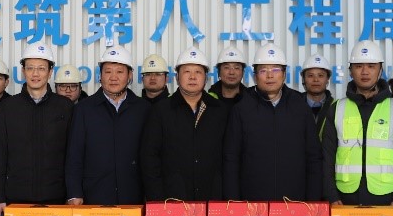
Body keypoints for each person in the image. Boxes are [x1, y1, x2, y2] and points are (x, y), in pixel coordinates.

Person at [0, 42, 73, 216]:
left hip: (56, 199)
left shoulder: (65, 107)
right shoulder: (8, 108)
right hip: (16, 200)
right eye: (30, 68)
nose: (35, 74)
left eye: (41, 68)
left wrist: (72, 195)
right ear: (23, 71)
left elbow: (73, 155)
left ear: (50, 72)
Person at [223, 43, 323, 201]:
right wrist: (234, 201)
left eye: (275, 70)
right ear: (255, 76)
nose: (270, 76)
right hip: (252, 203)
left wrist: (313, 201)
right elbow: (231, 159)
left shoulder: (299, 106)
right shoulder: (242, 108)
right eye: (263, 70)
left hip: (294, 201)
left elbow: (313, 157)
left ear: (284, 74)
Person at [322, 41, 393, 206]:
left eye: (371, 66)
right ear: (351, 71)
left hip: (387, 199)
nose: (365, 72)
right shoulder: (337, 108)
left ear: (380, 70)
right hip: (344, 199)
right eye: (358, 66)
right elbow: (326, 157)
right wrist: (331, 196)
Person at [140, 46, 229, 201]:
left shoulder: (220, 111)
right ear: (177, 77)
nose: (192, 77)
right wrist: (157, 198)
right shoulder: (161, 111)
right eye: (187, 72)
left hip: (212, 199)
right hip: (171, 199)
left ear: (206, 77)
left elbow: (229, 157)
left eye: (198, 72)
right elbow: (149, 157)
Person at [66, 45, 149, 205]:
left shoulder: (143, 109)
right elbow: (74, 155)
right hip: (94, 195)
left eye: (120, 72)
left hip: (133, 196)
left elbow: (150, 157)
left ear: (130, 75)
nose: (113, 77)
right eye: (108, 71)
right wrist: (74, 194)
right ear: (100, 75)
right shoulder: (84, 109)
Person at [301, 54, 335, 139]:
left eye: (320, 75)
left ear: (327, 79)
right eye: (310, 76)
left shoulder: (336, 107)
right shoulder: (293, 106)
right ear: (304, 79)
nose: (316, 80)